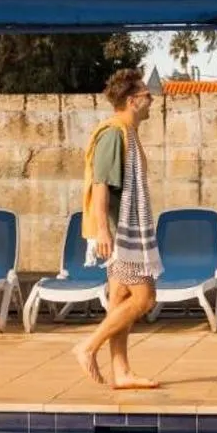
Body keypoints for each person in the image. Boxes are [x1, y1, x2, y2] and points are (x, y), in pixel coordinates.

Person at [74, 68, 161, 390]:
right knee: (144, 297)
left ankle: (122, 371)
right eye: (146, 95)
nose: (151, 100)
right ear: (132, 100)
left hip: (124, 231)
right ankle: (87, 347)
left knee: (121, 297)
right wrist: (104, 233)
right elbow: (100, 185)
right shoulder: (113, 133)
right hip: (119, 233)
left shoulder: (129, 132)